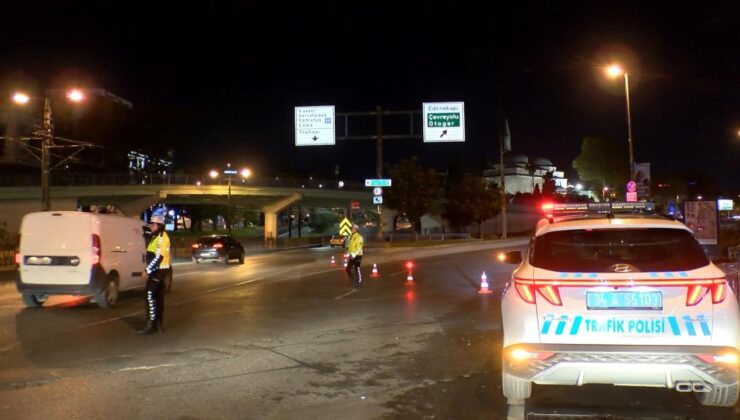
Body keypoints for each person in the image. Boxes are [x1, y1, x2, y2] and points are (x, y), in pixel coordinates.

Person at [139, 213, 171, 335]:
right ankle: (158, 324)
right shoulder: (156, 236)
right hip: (158, 271)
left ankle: (151, 323)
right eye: (151, 224)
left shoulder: (162, 237)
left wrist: (147, 271)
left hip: (158, 271)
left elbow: (158, 257)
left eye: (153, 224)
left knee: (149, 294)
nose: (151, 226)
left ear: (159, 225)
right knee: (158, 297)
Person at [345, 224, 364, 288]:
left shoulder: (359, 237)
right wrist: (348, 253)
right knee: (348, 269)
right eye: (351, 228)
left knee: (357, 268)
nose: (351, 229)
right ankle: (353, 280)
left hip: (358, 255)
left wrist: (353, 255)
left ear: (356, 229)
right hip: (352, 255)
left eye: (352, 228)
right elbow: (350, 246)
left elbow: (359, 247)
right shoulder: (352, 236)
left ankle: (359, 282)